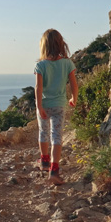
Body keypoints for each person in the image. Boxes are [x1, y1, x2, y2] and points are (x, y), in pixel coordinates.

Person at [34, 28, 79, 185]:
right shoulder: (67, 63)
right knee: (56, 136)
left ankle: (44, 161)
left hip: (44, 105)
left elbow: (38, 88)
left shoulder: (41, 65)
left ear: (44, 46)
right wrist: (74, 98)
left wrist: (39, 106)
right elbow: (74, 84)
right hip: (59, 105)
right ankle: (54, 170)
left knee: (43, 132)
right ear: (61, 44)